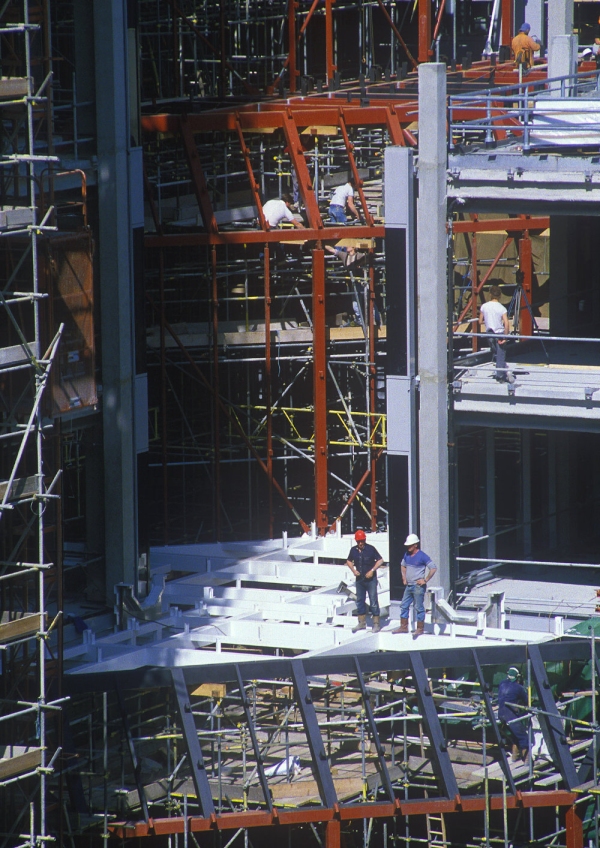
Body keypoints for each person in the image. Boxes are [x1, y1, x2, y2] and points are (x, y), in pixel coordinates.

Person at [393, 534, 436, 636]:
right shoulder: (406, 555)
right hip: (409, 586)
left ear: (415, 545)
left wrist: (425, 580)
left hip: (418, 586)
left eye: (410, 545)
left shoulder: (422, 556)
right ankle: (403, 627)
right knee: (404, 605)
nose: (408, 547)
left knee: (419, 607)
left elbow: (433, 568)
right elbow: (403, 565)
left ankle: (420, 628)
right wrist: (404, 577)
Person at [346, 529, 385, 633]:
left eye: (361, 541)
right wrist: (353, 570)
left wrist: (372, 570)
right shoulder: (353, 550)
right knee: (360, 600)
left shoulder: (371, 549)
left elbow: (381, 560)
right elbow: (348, 561)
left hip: (370, 580)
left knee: (373, 600)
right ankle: (361, 622)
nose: (360, 544)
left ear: (364, 540)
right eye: (358, 542)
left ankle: (376, 624)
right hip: (360, 580)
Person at [480, 284, 514, 383]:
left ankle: (501, 368)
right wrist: (506, 336)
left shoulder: (484, 306)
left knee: (495, 352)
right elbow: (506, 323)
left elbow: (480, 321)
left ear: (490, 294)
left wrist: (488, 320)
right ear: (500, 296)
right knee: (501, 354)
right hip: (499, 332)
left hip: (489, 333)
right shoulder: (502, 308)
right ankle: (500, 376)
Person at [497, 667, 529, 762]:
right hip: (509, 714)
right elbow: (526, 700)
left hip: (500, 713)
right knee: (523, 736)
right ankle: (527, 760)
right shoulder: (518, 688)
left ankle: (515, 756)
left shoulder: (502, 683)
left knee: (515, 734)